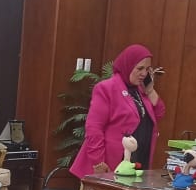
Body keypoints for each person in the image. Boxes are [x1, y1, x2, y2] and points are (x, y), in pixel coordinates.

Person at [71, 44, 166, 178]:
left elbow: (159, 114)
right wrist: (98, 162)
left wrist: (150, 91)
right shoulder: (107, 88)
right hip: (111, 163)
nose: (144, 74)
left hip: (138, 162)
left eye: (147, 69)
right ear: (128, 65)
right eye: (140, 68)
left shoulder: (141, 90)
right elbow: (94, 128)